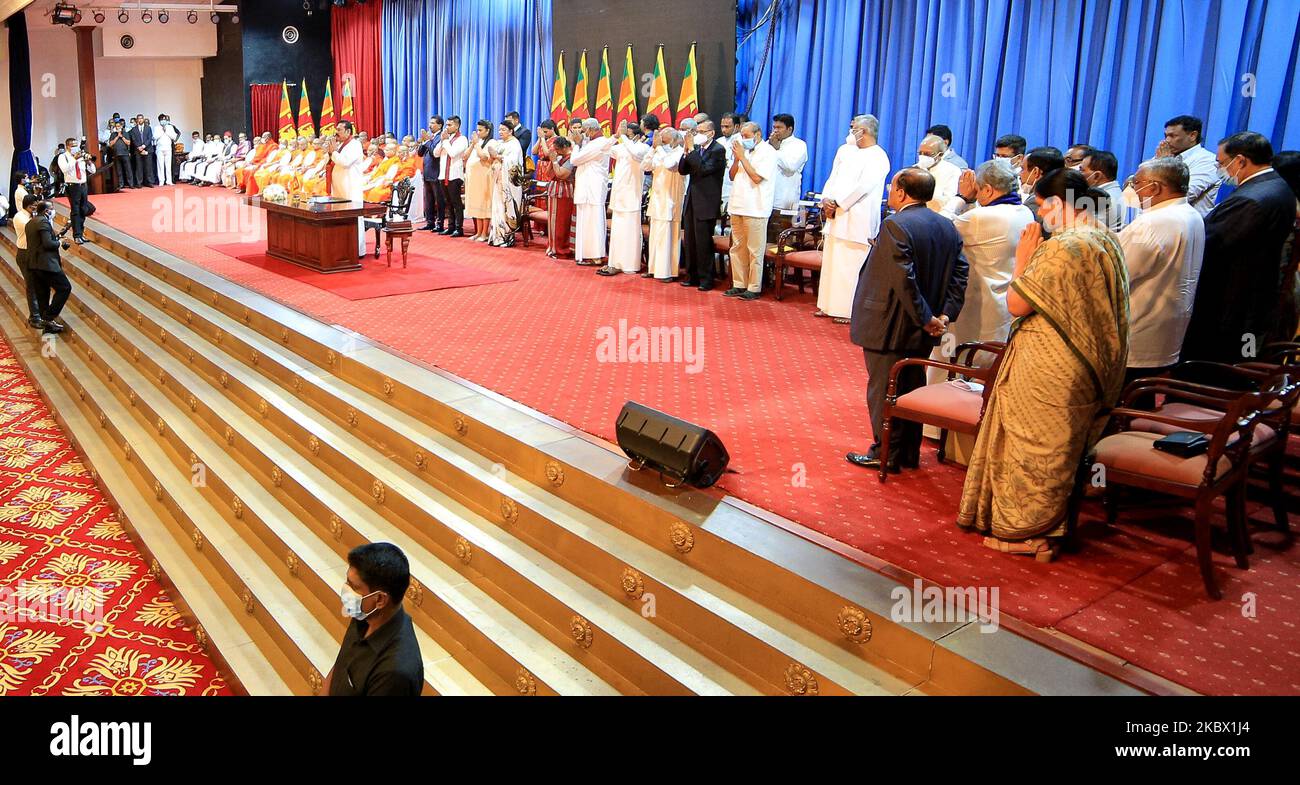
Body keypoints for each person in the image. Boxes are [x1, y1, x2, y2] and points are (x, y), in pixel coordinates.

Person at [958, 168, 1129, 561]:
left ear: (1058, 203)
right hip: (1088, 363)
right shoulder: (1106, 237)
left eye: (1039, 205)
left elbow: (1018, 304)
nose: (1037, 215)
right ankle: (1049, 529)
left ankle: (1027, 533)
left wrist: (1024, 258)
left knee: (1033, 449)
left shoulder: (1064, 246)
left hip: (1050, 364)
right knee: (1061, 447)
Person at [846, 168, 968, 472]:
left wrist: (927, 317)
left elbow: (904, 279)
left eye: (892, 188)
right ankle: (906, 453)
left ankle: (885, 452)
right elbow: (960, 274)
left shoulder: (895, 224)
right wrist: (944, 315)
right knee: (911, 385)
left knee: (885, 389)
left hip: (892, 322)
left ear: (900, 192)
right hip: (924, 324)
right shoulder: (946, 226)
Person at [1182, 131, 1297, 363]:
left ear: (1241, 160)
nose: (1219, 169)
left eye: (1221, 163)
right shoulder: (1277, 184)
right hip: (1257, 288)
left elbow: (1212, 243)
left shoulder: (1250, 199)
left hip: (1233, 295)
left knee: (1216, 361)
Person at [1117, 156, 1205, 389]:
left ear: (1154, 187)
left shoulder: (1153, 222)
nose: (1133, 189)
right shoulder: (1191, 213)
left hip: (1141, 322)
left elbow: (1119, 272)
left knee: (1127, 393)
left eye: (1136, 183)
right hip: (1166, 321)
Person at [938, 159, 1036, 358]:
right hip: (1004, 303)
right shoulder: (1025, 212)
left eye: (978, 189)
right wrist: (973, 200)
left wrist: (961, 197)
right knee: (988, 364)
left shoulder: (981, 218)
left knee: (955, 361)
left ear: (989, 190)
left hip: (975, 305)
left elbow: (938, 227)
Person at [816, 114, 891, 322]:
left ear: (864, 131)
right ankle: (827, 305)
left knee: (851, 266)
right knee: (832, 262)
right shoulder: (845, 151)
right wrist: (826, 200)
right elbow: (833, 178)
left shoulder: (879, 157)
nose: (851, 131)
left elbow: (863, 187)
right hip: (835, 216)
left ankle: (848, 311)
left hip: (857, 217)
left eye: (854, 128)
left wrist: (838, 203)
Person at [323, 543, 423, 697]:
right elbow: (341, 665)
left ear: (380, 600)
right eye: (347, 581)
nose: (346, 590)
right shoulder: (364, 615)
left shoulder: (394, 673)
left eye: (354, 587)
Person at [725, 122, 777, 299]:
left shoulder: (768, 152)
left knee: (754, 250)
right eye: (742, 136)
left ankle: (754, 287)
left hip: (756, 208)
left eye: (747, 136)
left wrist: (743, 157)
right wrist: (738, 158)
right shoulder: (742, 153)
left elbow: (756, 177)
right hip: (737, 205)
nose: (744, 139)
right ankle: (739, 283)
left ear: (758, 134)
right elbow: (732, 176)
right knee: (737, 247)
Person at [677, 120, 727, 290]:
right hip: (691, 200)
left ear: (711, 133)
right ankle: (692, 276)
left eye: (701, 131)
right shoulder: (696, 149)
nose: (698, 135)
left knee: (703, 242)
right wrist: (686, 152)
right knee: (690, 241)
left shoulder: (718, 150)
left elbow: (703, 169)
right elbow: (683, 170)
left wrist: (691, 150)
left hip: (706, 202)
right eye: (696, 131)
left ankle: (706, 279)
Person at [600, 122, 650, 276]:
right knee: (617, 232)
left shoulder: (643, 147)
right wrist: (615, 136)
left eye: (626, 132)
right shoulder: (622, 146)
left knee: (629, 231)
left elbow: (635, 154)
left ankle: (629, 264)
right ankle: (614, 263)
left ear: (634, 134)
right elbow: (604, 149)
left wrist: (623, 137)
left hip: (632, 194)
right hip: (619, 194)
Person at [24, 199, 74, 336]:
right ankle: (48, 317)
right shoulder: (43, 222)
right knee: (65, 288)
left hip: (33, 264)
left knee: (43, 294)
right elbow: (47, 244)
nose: (53, 211)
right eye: (51, 209)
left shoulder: (30, 222)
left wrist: (56, 238)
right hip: (46, 264)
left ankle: (47, 323)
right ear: (46, 211)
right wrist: (59, 243)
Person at [642, 128, 687, 281]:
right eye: (661, 140)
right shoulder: (659, 151)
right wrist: (653, 149)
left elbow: (670, 164)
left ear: (674, 141)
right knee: (655, 237)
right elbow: (645, 167)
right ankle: (653, 268)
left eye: (665, 141)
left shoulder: (680, 152)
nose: (663, 143)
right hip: (657, 200)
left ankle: (667, 272)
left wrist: (660, 148)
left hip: (670, 201)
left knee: (668, 237)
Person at [571, 118, 616, 267]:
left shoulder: (599, 143)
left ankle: (596, 255)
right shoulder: (592, 143)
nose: (583, 134)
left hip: (593, 188)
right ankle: (585, 254)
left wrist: (577, 144)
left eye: (584, 131)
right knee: (586, 221)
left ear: (591, 130)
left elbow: (575, 160)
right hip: (587, 187)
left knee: (594, 221)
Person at [1155, 115, 1220, 216]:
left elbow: (1183, 195)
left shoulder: (1208, 160)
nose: (1167, 140)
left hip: (1186, 225)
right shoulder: (1166, 155)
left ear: (1192, 136)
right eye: (1166, 136)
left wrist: (1165, 164)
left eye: (1172, 136)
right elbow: (1136, 182)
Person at [329, 120, 367, 256]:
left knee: (353, 217)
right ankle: (343, 246)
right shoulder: (343, 145)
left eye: (339, 130)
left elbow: (344, 162)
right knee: (341, 217)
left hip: (350, 188)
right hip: (341, 188)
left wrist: (333, 152)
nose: (336, 132)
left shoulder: (355, 145)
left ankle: (357, 250)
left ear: (348, 131)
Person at [488, 121, 525, 247]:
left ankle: (508, 237)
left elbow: (513, 162)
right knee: (497, 208)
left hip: (508, 184)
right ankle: (497, 236)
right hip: (498, 180)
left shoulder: (515, 144)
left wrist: (497, 156)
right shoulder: (501, 143)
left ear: (511, 131)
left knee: (507, 209)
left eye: (503, 130)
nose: (500, 132)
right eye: (499, 130)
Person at [12, 194, 45, 328]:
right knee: (31, 286)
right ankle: (35, 317)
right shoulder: (20, 217)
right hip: (25, 254)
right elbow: (34, 229)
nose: (36, 208)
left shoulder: (31, 216)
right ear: (29, 205)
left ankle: (40, 314)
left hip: (33, 254)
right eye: (35, 205)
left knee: (37, 285)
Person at [435, 116, 469, 236]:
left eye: (449, 125)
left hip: (454, 175)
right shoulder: (446, 139)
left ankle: (459, 228)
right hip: (443, 175)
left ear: (457, 126)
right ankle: (450, 226)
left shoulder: (462, 139)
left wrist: (445, 141)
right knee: (447, 203)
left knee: (456, 203)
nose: (447, 127)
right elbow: (436, 153)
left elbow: (453, 153)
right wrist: (442, 141)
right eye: (447, 125)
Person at [56, 137, 94, 245]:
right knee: (75, 210)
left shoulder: (81, 156)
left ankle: (81, 234)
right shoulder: (63, 157)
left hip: (83, 185)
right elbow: (65, 169)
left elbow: (92, 170)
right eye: (73, 146)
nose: (76, 148)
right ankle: (76, 235)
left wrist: (89, 162)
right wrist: (74, 159)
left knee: (83, 209)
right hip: (72, 186)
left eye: (77, 145)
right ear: (68, 146)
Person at [544, 135, 576, 259]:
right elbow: (548, 174)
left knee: (562, 222)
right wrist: (554, 161)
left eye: (557, 149)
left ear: (564, 148)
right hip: (554, 191)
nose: (555, 152)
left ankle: (561, 248)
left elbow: (561, 174)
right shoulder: (560, 156)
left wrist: (554, 161)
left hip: (565, 192)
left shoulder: (571, 157)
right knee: (553, 221)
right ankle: (552, 246)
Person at [464, 120, 495, 242]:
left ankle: (484, 233)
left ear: (488, 131)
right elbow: (465, 156)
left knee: (484, 204)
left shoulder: (491, 142)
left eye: (481, 130)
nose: (478, 132)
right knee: (476, 203)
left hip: (484, 178)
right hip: (474, 178)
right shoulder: (477, 142)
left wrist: (476, 144)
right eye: (477, 130)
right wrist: (472, 144)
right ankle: (478, 232)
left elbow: (484, 157)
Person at [1080, 148, 1126, 230]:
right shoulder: (1116, 193)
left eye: (1081, 170)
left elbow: (1086, 231)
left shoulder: (1105, 200)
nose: (1077, 174)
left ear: (1097, 176)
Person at [769, 113, 808, 210]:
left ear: (789, 129)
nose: (775, 131)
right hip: (767, 199)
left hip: (785, 201)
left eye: (779, 128)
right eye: (774, 127)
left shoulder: (799, 145)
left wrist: (776, 149)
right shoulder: (768, 143)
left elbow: (791, 167)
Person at [915, 133, 962, 212]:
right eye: (920, 153)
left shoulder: (953, 171)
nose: (922, 157)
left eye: (927, 154)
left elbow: (949, 200)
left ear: (940, 154)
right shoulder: (914, 169)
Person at [1019, 147, 1064, 225]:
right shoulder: (1063, 194)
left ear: (1036, 172)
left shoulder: (1036, 201)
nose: (1019, 174)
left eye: (1022, 169)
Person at [417, 116, 445, 231]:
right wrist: (423, 141)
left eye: (433, 123)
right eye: (430, 123)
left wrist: (428, 140)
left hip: (436, 172)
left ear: (440, 125)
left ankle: (440, 223)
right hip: (427, 172)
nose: (430, 125)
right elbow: (420, 153)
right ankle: (430, 222)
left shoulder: (441, 137)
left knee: (439, 200)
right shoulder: (429, 137)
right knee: (428, 199)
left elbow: (434, 152)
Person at [718, 112, 743, 214]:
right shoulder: (719, 142)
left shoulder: (742, 142)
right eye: (722, 126)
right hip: (720, 186)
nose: (724, 129)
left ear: (737, 126)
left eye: (727, 126)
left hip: (735, 187)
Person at [128, 114, 155, 187]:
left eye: (141, 118)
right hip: (138, 150)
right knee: (139, 167)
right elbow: (133, 140)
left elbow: (149, 138)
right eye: (138, 118)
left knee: (148, 167)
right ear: (137, 120)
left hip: (148, 149)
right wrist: (139, 147)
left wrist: (143, 146)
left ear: (143, 119)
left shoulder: (148, 128)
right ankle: (139, 182)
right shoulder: (134, 129)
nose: (140, 120)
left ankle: (149, 182)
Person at [108, 120, 133, 190]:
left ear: (121, 127)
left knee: (128, 169)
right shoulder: (113, 134)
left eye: (119, 126)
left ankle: (131, 184)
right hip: (116, 154)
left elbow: (128, 143)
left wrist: (122, 137)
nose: (118, 128)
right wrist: (117, 137)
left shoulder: (125, 133)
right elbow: (110, 144)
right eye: (116, 127)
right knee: (119, 170)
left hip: (125, 154)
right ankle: (121, 184)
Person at [155, 113, 179, 185]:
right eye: (162, 120)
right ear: (159, 121)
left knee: (168, 165)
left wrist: (166, 131)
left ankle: (169, 181)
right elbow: (155, 137)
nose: (163, 121)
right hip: (159, 149)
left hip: (168, 148)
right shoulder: (157, 128)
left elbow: (174, 137)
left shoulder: (170, 127)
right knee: (160, 165)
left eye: (164, 119)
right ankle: (161, 181)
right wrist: (162, 131)